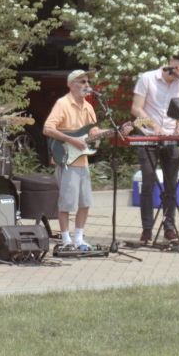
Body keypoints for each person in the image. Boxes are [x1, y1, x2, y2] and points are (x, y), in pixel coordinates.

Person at [122, 53, 179, 244]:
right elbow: (136, 109)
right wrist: (155, 127)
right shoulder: (147, 78)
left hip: (171, 138)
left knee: (172, 183)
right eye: (178, 69)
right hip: (148, 135)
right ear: (171, 62)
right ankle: (147, 229)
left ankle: (169, 226)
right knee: (148, 181)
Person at [42, 68, 104, 255]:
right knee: (67, 202)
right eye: (81, 82)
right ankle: (65, 238)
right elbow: (47, 128)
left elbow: (93, 131)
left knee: (85, 201)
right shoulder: (63, 103)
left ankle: (78, 237)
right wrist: (71, 139)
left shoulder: (89, 106)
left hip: (82, 160)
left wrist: (115, 131)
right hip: (66, 159)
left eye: (87, 82)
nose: (86, 85)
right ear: (70, 85)